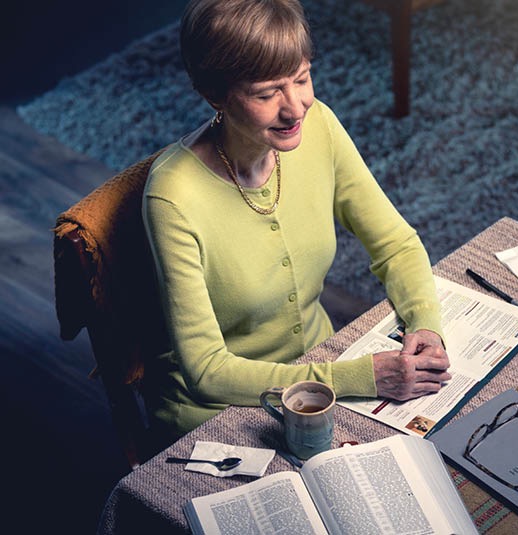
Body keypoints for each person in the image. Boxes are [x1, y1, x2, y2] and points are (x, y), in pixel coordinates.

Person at [142, 0, 450, 441]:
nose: (295, 107)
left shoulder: (319, 124)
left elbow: (396, 244)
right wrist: (358, 379)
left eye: (302, 78)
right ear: (215, 94)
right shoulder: (172, 196)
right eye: (267, 94)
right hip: (219, 409)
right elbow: (207, 371)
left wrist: (424, 324)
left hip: (322, 364)